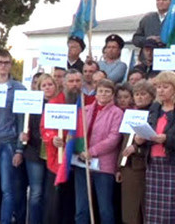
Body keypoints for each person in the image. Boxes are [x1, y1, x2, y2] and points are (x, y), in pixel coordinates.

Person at [134, 71, 175, 223]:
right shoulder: (155, 107)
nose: (160, 90)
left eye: (165, 87)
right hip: (155, 165)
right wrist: (139, 139)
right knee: (154, 213)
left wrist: (167, 139)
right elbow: (149, 132)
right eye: (158, 87)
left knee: (173, 211)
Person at [0, 50, 26, 224]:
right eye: (0, 62)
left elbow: (22, 121)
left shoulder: (19, 89)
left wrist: (19, 149)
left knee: (8, 189)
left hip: (7, 144)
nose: (3, 66)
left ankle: (6, 221)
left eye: (6, 62)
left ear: (11, 64)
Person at [74, 79, 123, 224]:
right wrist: (79, 149)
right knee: (81, 206)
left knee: (104, 207)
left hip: (103, 165)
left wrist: (92, 151)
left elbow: (114, 138)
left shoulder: (117, 113)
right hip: (82, 162)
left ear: (113, 94)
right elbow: (77, 132)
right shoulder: (85, 109)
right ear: (96, 93)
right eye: (101, 91)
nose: (103, 94)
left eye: (107, 91)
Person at [41, 69, 83, 224]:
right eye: (71, 81)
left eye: (78, 81)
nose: (74, 85)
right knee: (55, 202)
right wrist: (53, 138)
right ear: (64, 83)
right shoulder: (54, 103)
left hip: (79, 158)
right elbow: (44, 128)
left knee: (73, 201)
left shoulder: (87, 102)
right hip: (58, 158)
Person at [116, 80, 154, 224]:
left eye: (143, 94)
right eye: (136, 94)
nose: (139, 97)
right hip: (128, 167)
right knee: (129, 208)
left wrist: (137, 148)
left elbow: (154, 141)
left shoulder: (153, 114)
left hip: (143, 165)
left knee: (141, 207)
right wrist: (119, 167)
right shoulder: (131, 114)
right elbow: (124, 142)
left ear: (151, 96)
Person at [17, 74, 52, 224]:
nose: (47, 87)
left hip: (52, 154)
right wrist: (24, 135)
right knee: (36, 192)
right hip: (34, 152)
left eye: (50, 84)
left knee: (48, 193)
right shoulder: (32, 104)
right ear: (39, 88)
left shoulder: (61, 104)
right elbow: (25, 126)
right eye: (44, 85)